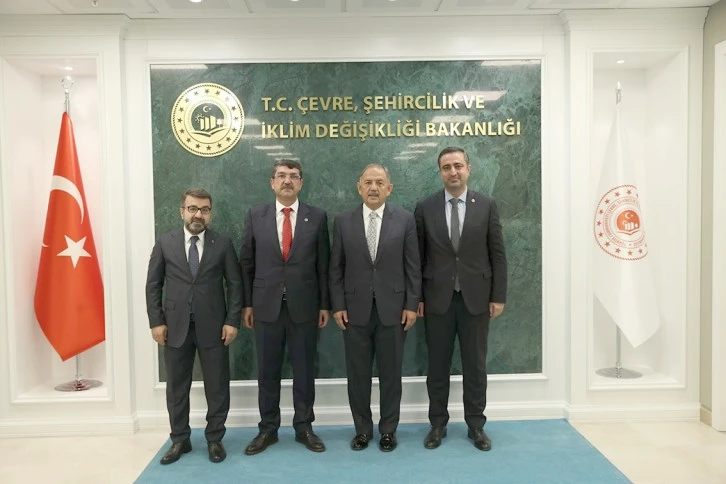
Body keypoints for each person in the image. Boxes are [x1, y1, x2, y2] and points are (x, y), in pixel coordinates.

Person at [414, 147, 507, 452]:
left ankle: (476, 425)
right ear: (440, 172)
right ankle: (437, 425)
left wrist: (498, 296)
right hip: (436, 300)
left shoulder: (487, 205)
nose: (452, 172)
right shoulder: (425, 207)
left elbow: (497, 254)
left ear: (469, 168)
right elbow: (417, 258)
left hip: (477, 300)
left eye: (457, 166)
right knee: (437, 366)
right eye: (446, 167)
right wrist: (417, 298)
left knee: (475, 366)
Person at [146, 188, 243, 465]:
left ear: (210, 213)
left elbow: (235, 285)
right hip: (174, 327)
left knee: (217, 386)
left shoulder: (222, 244)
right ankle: (180, 439)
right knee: (177, 387)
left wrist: (232, 321)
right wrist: (156, 321)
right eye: (193, 209)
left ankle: (215, 439)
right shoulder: (165, 243)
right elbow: (153, 285)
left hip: (215, 327)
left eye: (204, 209)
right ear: (182, 212)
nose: (198, 214)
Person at [240, 159, 330, 455]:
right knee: (267, 371)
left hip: (305, 307)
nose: (287, 180)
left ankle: (304, 427)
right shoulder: (256, 216)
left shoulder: (317, 217)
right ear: (272, 182)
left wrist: (325, 305)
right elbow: (247, 263)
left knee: (304, 370)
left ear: (301, 183)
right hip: (265, 307)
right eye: (281, 175)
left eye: (293, 176)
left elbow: (323, 265)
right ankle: (268, 429)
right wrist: (247, 303)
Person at [329, 163, 421, 452]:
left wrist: (411, 304)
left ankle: (388, 430)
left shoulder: (405, 220)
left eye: (379, 182)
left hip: (394, 310)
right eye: (368, 182)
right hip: (353, 311)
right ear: (359, 187)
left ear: (389, 188)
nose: (373, 187)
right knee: (358, 376)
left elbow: (413, 267)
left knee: (391, 375)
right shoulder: (343, 221)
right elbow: (336, 268)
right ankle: (362, 430)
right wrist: (337, 305)